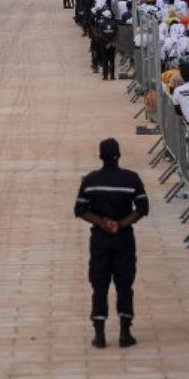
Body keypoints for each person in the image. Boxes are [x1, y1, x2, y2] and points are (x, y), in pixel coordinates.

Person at [74, 137, 148, 349]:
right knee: (124, 284)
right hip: (123, 238)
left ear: (100, 156)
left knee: (99, 285)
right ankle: (125, 332)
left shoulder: (90, 181)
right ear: (119, 155)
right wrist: (121, 224)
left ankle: (99, 334)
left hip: (100, 239)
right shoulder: (131, 179)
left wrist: (103, 223)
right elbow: (143, 208)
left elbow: (80, 210)